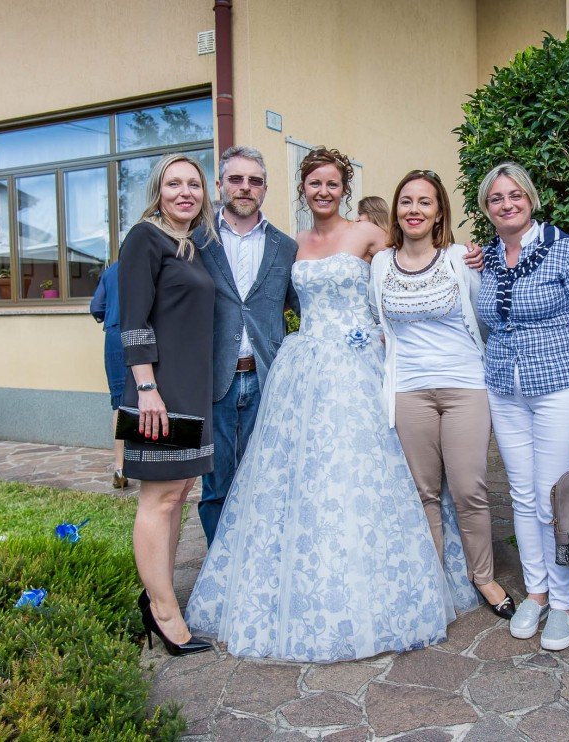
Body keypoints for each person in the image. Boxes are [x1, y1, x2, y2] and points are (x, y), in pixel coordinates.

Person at [186, 148, 468, 662]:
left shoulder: (368, 234)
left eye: (332, 184)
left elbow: (411, 262)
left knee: (366, 474)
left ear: (345, 189)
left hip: (359, 367)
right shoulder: (291, 246)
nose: (322, 191)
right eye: (314, 183)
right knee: (299, 476)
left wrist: (455, 259)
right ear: (302, 188)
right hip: (304, 368)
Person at [368, 169, 514, 621]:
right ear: (397, 211)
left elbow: (485, 316)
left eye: (424, 202)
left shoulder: (460, 260)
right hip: (409, 390)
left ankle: (483, 577)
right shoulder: (379, 264)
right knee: (424, 491)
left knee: (469, 488)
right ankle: (430, 583)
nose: (414, 210)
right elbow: (379, 323)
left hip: (464, 386)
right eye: (406, 201)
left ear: (438, 214)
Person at [475, 162, 569, 651]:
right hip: (505, 387)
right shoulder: (482, 257)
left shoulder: (564, 250)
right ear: (486, 208)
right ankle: (538, 592)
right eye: (497, 198)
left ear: (531, 198)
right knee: (522, 495)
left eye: (515, 195)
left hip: (560, 385)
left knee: (551, 497)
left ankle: (564, 603)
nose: (507, 204)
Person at [118, 153, 218, 656]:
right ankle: (162, 611)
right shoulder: (144, 238)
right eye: (174, 184)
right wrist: (145, 388)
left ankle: (159, 595)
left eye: (194, 185)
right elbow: (132, 318)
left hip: (190, 390)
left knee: (178, 493)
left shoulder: (192, 246)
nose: (185, 192)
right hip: (158, 392)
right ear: (158, 190)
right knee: (157, 498)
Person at [192, 146, 299, 547]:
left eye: (254, 181)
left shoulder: (285, 248)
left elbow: (307, 305)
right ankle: (218, 575)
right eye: (235, 179)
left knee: (264, 483)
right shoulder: (196, 241)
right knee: (216, 485)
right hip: (213, 382)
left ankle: (256, 565)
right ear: (219, 185)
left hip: (267, 381)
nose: (245, 187)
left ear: (265, 189)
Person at [90, 261, 127, 488]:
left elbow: (97, 307)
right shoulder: (151, 262)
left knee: (120, 403)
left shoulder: (111, 270)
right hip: (145, 332)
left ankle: (120, 467)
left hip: (114, 334)